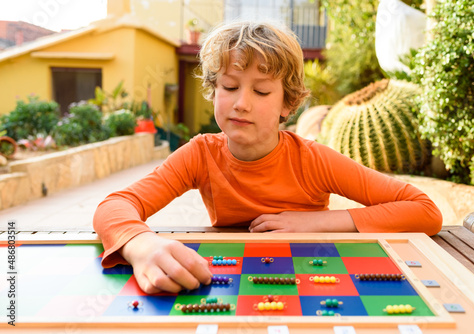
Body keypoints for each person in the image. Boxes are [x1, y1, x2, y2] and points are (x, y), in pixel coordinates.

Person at [93, 21, 442, 295]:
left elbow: (424, 210)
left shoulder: (314, 160)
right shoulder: (200, 154)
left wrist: (313, 222)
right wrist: (141, 244)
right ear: (214, 92)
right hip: (231, 282)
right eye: (229, 87)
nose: (241, 103)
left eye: (260, 91)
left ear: (287, 104)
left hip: (314, 279)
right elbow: (115, 206)